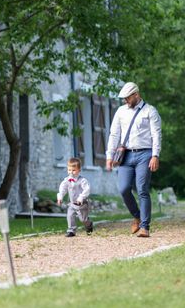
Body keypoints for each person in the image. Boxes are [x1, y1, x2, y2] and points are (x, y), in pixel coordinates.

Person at [105, 82, 162, 238]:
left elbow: (156, 135)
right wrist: (109, 156)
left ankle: (145, 227)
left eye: (127, 98)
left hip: (145, 154)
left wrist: (155, 155)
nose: (125, 101)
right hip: (126, 155)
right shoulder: (121, 111)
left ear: (136, 95)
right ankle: (137, 215)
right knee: (123, 189)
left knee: (142, 188)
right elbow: (114, 134)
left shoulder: (150, 111)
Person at [57, 157, 93, 237]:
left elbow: (87, 190)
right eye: (69, 170)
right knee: (70, 216)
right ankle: (71, 231)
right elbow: (62, 189)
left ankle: (89, 224)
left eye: (73, 170)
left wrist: (81, 197)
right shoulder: (67, 180)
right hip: (72, 203)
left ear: (79, 170)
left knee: (83, 219)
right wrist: (60, 197)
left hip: (82, 204)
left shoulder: (83, 180)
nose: (71, 172)